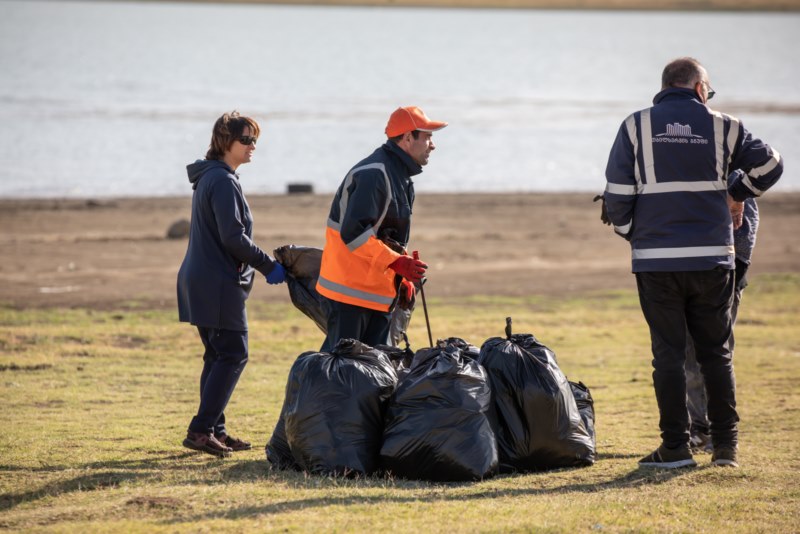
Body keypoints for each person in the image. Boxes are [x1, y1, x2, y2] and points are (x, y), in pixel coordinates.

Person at [602, 57, 782, 469]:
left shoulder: (635, 125)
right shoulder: (725, 126)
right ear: (700, 88)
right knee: (716, 354)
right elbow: (771, 165)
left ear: (665, 86)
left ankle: (676, 449)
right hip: (713, 258)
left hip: (656, 261)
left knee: (667, 356)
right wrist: (737, 192)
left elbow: (617, 194)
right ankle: (725, 448)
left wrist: (633, 233)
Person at [177, 111, 286, 458]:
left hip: (201, 279)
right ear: (226, 141)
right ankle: (201, 430)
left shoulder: (212, 176)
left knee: (217, 356)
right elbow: (233, 238)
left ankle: (216, 430)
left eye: (255, 140)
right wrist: (268, 265)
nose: (253, 146)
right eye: (246, 140)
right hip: (216, 283)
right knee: (234, 353)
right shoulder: (222, 181)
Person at [316, 106, 447, 351]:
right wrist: (397, 263)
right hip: (350, 292)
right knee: (343, 369)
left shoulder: (400, 174)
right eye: (427, 137)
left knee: (372, 370)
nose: (433, 145)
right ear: (407, 137)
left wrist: (401, 277)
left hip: (375, 292)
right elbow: (354, 234)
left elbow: (387, 236)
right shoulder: (374, 174)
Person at [686, 190, 758, 452]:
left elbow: (746, 221)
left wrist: (739, 266)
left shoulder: (734, 172)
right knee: (688, 353)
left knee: (716, 354)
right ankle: (700, 428)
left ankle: (719, 431)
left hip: (725, 270)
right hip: (685, 269)